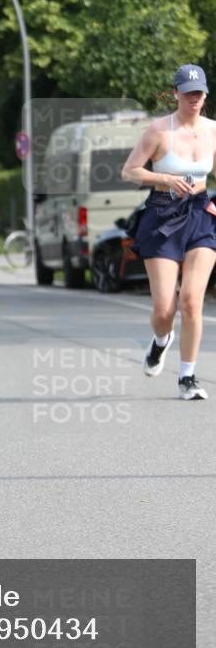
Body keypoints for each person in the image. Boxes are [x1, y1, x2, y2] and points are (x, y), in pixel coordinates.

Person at [121, 64, 215, 400]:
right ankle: (161, 341)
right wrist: (163, 178)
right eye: (187, 93)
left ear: (205, 95)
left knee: (191, 301)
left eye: (199, 93)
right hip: (162, 216)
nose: (194, 99)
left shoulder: (213, 130)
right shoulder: (158, 131)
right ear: (175, 93)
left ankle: (187, 377)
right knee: (165, 309)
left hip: (201, 215)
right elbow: (129, 171)